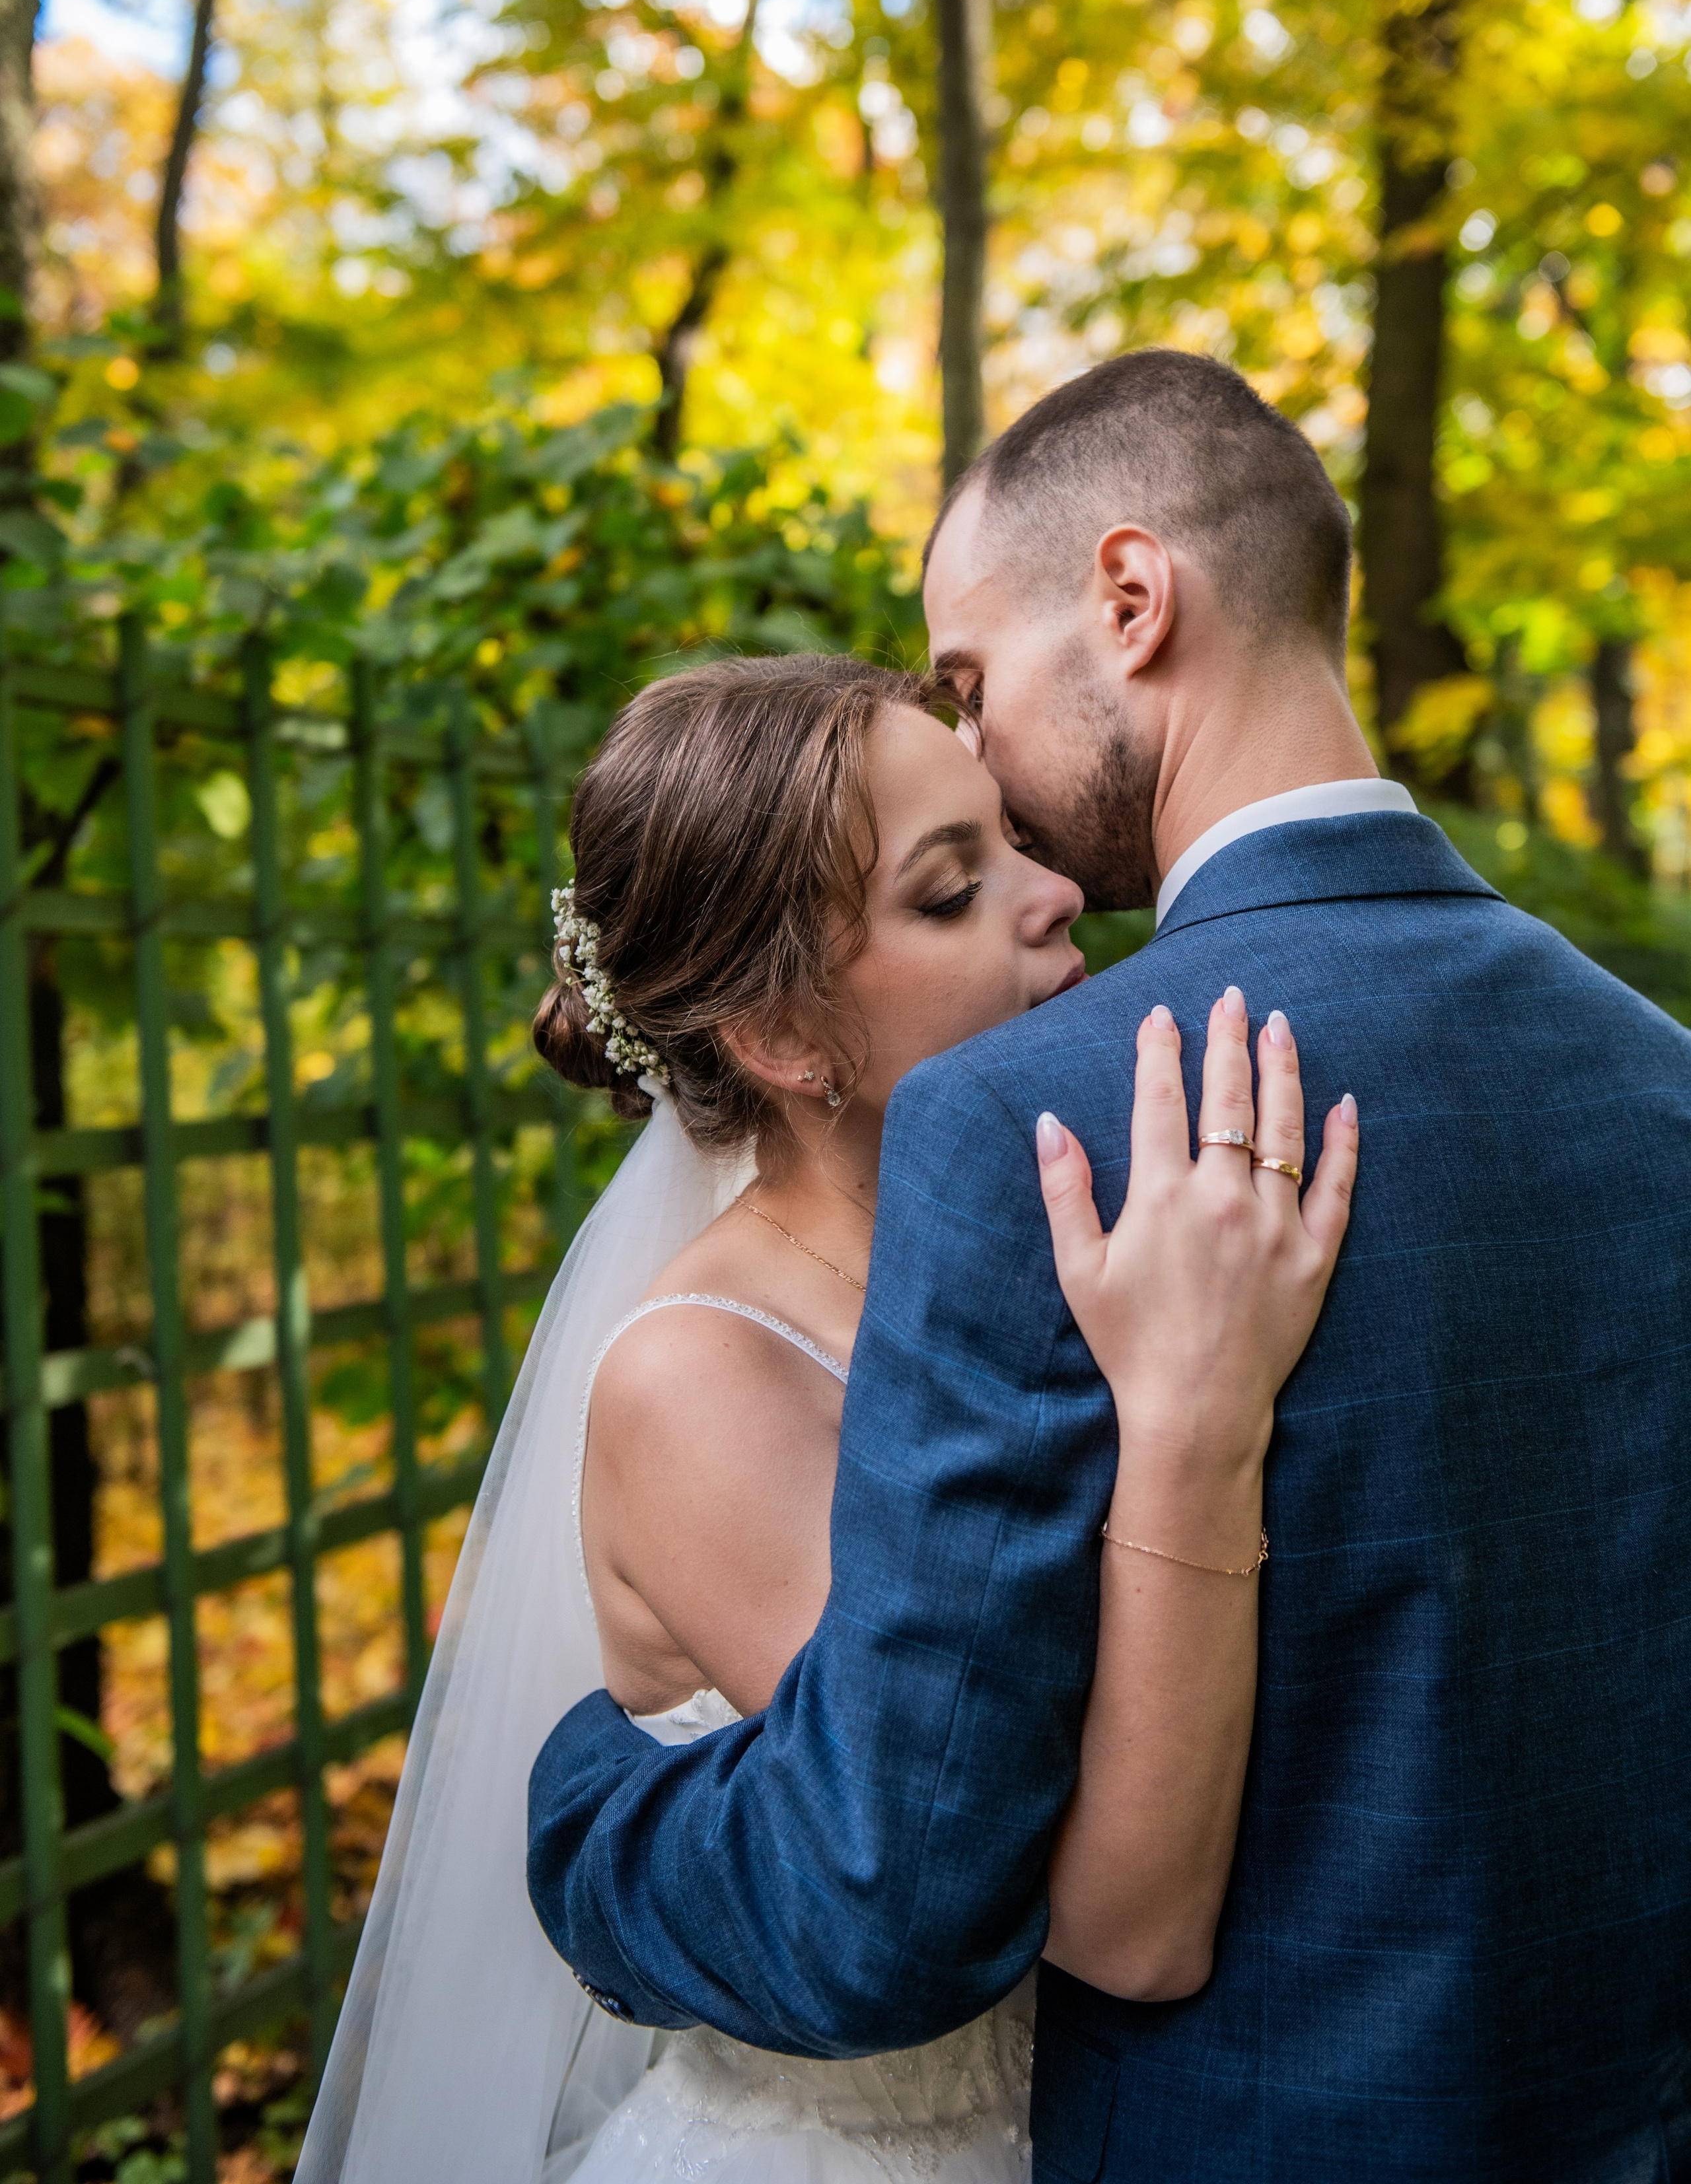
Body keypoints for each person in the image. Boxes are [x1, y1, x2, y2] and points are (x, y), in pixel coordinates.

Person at [528, 349, 1691, 2183]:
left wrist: (599, 1824)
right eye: (943, 872)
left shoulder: (1038, 1126)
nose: (1001, 792)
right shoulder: (1661, 1086)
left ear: (1134, 601)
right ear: (778, 1034)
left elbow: (905, 1877)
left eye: (972, 687)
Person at [295, 639, 1354, 2184]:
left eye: (1012, 837)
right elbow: (1112, 1916)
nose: (1053, 890)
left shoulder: (1106, 1243)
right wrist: (1198, 1415)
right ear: (786, 1041)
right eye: (948, 887)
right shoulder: (700, 1379)